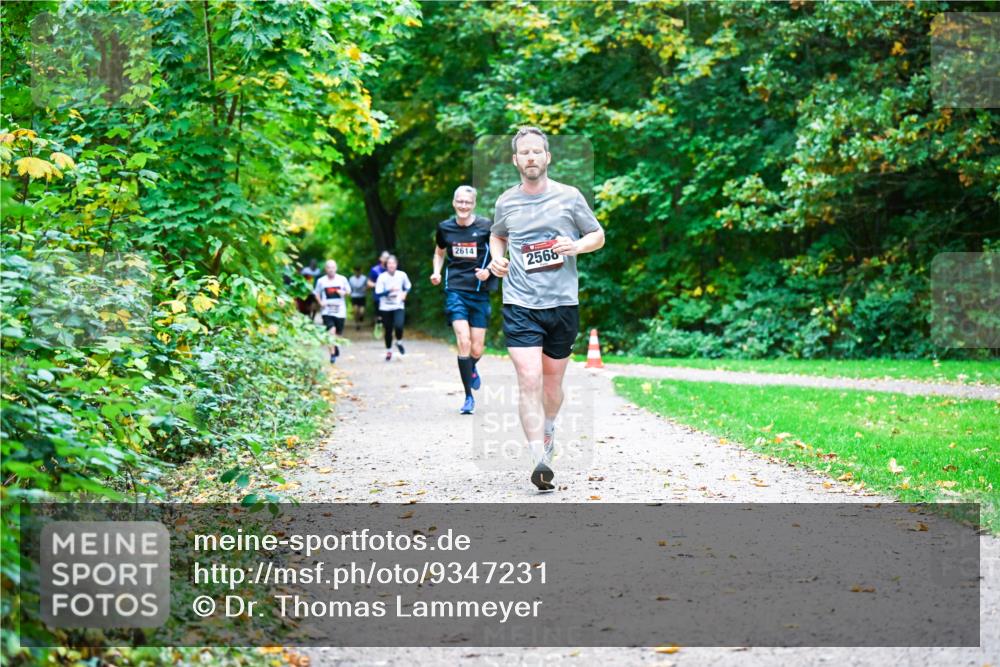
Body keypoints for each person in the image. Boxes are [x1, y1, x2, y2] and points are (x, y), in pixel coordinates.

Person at [487, 126, 605, 491]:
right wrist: (497, 259)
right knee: (529, 378)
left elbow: (597, 235)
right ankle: (538, 457)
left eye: (537, 151)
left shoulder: (570, 197)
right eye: (525, 153)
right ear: (515, 160)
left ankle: (548, 430)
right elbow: (498, 234)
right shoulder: (506, 201)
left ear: (548, 157)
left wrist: (577, 247)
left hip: (562, 303)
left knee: (553, 382)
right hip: (520, 302)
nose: (531, 158)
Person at [431, 185, 497, 415]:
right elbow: (439, 252)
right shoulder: (445, 228)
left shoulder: (486, 226)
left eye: (467, 202)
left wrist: (488, 270)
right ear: (453, 202)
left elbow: (500, 252)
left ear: (473, 204)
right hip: (455, 289)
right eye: (460, 201)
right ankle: (468, 397)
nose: (463, 206)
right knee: (464, 341)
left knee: (477, 348)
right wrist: (437, 272)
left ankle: (471, 368)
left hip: (479, 291)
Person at [374, 255, 411, 361]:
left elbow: (408, 286)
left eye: (393, 263)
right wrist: (389, 290)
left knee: (399, 326)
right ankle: (389, 350)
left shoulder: (402, 275)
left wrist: (405, 293)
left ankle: (399, 341)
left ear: (396, 264)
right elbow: (378, 293)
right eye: (389, 263)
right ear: (386, 265)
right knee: (388, 330)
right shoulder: (382, 277)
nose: (391, 265)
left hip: (398, 305)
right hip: (385, 307)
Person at [314, 260, 351, 364]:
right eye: (329, 267)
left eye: (333, 267)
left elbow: (349, 291)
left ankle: (335, 345)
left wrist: (343, 292)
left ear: (336, 268)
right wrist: (320, 302)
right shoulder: (321, 281)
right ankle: (332, 355)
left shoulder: (342, 279)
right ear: (326, 269)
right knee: (331, 331)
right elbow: (316, 293)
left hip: (340, 310)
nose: (331, 269)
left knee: (338, 333)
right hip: (327, 311)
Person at [368, 251, 390, 339]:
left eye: (388, 257)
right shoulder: (375, 270)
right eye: (385, 257)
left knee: (388, 316)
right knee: (380, 316)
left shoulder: (392, 269)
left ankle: (387, 332)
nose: (386, 259)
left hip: (390, 298)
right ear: (380, 259)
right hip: (378, 298)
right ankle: (379, 326)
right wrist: (376, 285)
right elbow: (369, 283)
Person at [348, 266, 368, 330]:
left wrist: (366, 289)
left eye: (358, 271)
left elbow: (367, 285)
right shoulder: (351, 279)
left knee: (362, 311)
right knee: (355, 310)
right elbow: (349, 288)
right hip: (354, 296)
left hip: (362, 296)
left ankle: (361, 318)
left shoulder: (364, 278)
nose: (357, 273)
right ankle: (357, 323)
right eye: (356, 271)